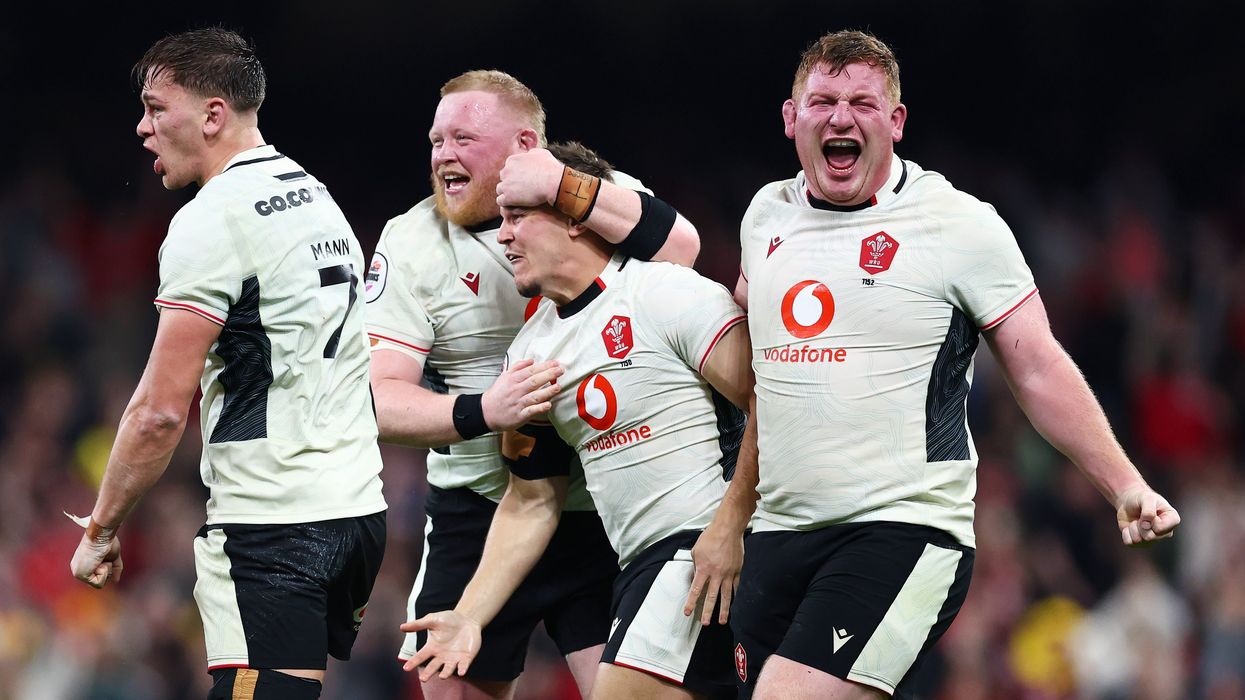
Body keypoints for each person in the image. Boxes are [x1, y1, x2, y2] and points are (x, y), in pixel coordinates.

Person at [729, 30, 1182, 700]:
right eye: (822, 102)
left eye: (862, 103)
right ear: (791, 118)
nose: (841, 118)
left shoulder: (956, 225)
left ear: (895, 122)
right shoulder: (765, 216)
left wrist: (1124, 484)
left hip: (902, 529)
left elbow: (1037, 367)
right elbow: (752, 351)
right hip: (778, 533)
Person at [66, 28, 386, 700]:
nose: (142, 127)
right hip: (356, 510)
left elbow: (158, 413)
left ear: (213, 115)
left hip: (272, 522)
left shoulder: (211, 220)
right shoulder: (314, 194)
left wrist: (101, 528)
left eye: (156, 108)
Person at [365, 71, 701, 700]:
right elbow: (380, 402)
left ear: (525, 147)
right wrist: (482, 411)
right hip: (481, 510)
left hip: (603, 507)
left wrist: (562, 188)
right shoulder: (411, 241)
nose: (442, 155)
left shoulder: (592, 194)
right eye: (436, 141)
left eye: (463, 138)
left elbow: (682, 250)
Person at [402, 142, 756, 700]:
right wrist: (469, 615)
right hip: (641, 564)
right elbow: (531, 499)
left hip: (703, 550)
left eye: (518, 216)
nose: (503, 236)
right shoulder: (531, 354)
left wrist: (730, 527)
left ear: (573, 217)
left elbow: (771, 402)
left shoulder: (665, 292)